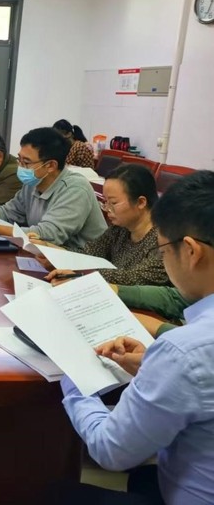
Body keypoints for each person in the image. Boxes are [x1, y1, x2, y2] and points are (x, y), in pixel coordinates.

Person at [49, 170, 214, 505]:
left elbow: (111, 451)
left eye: (164, 250)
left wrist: (74, 374)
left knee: (51, 491)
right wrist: (153, 363)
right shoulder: (185, 351)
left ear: (191, 251)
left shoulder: (185, 351)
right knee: (143, 477)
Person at [0, 127, 107, 250]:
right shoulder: (33, 183)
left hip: (82, 261)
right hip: (45, 254)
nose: (20, 167)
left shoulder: (75, 189)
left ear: (50, 165)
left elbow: (46, 234)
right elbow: (8, 212)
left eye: (26, 162)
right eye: (19, 159)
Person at [45, 164, 170, 286]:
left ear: (141, 202)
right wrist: (52, 252)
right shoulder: (119, 229)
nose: (107, 209)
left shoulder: (164, 238)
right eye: (105, 202)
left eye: (113, 203)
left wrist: (82, 274)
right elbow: (89, 253)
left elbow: (136, 278)